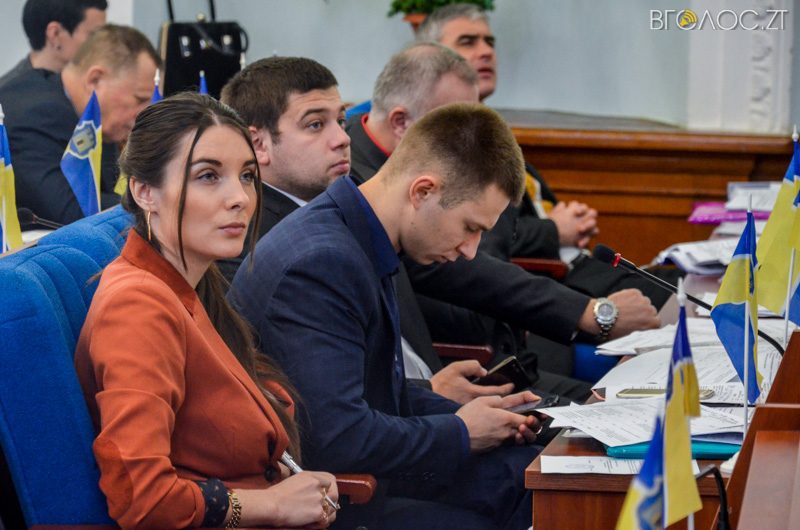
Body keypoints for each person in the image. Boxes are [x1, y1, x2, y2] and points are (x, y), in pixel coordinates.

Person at [74, 92, 338, 530]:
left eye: (247, 176)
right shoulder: (138, 306)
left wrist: (291, 488)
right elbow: (143, 499)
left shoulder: (188, 283)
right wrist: (273, 505)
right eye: (208, 176)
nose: (240, 198)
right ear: (144, 191)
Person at [347, 42, 660, 399]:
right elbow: (467, 269)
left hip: (500, 352)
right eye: (453, 122)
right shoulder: (365, 188)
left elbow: (489, 248)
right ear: (401, 122)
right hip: (463, 366)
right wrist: (588, 311)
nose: (470, 136)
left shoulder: (458, 172)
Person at [417, 3, 680, 309]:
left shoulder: (486, 126)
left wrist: (569, 221)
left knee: (694, 282)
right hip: (551, 288)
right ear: (432, 58)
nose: (486, 51)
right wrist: (554, 230)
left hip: (577, 267)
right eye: (468, 42)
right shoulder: (441, 137)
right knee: (689, 294)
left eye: (489, 42)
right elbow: (483, 237)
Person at [0, 24, 158, 226]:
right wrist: (161, 201)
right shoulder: (33, 114)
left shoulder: (99, 120)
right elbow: (75, 213)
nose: (144, 113)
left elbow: (106, 195)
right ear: (95, 80)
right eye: (139, 99)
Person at [0, 0, 107, 88]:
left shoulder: (95, 82)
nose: (101, 43)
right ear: (55, 34)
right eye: (93, 34)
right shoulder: (6, 99)